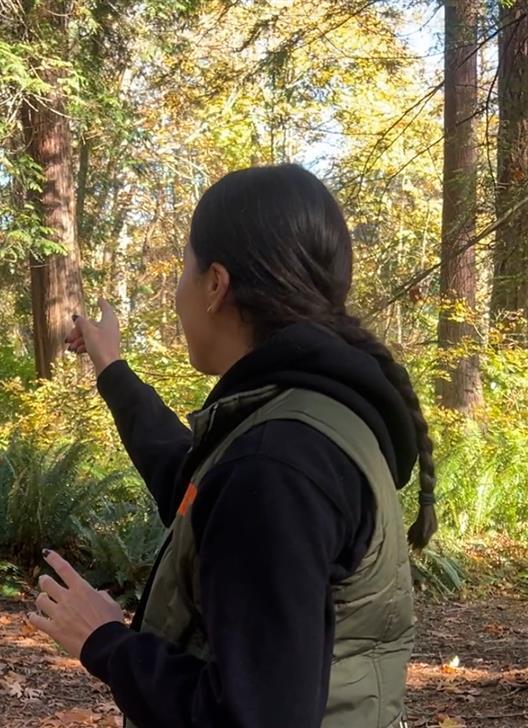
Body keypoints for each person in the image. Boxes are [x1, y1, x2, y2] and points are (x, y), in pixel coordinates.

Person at [28, 164, 436, 728]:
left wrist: (107, 643)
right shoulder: (311, 419)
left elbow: (253, 717)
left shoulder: (276, 464)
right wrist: (112, 370)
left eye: (184, 269)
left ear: (216, 284)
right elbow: (194, 485)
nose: (177, 293)